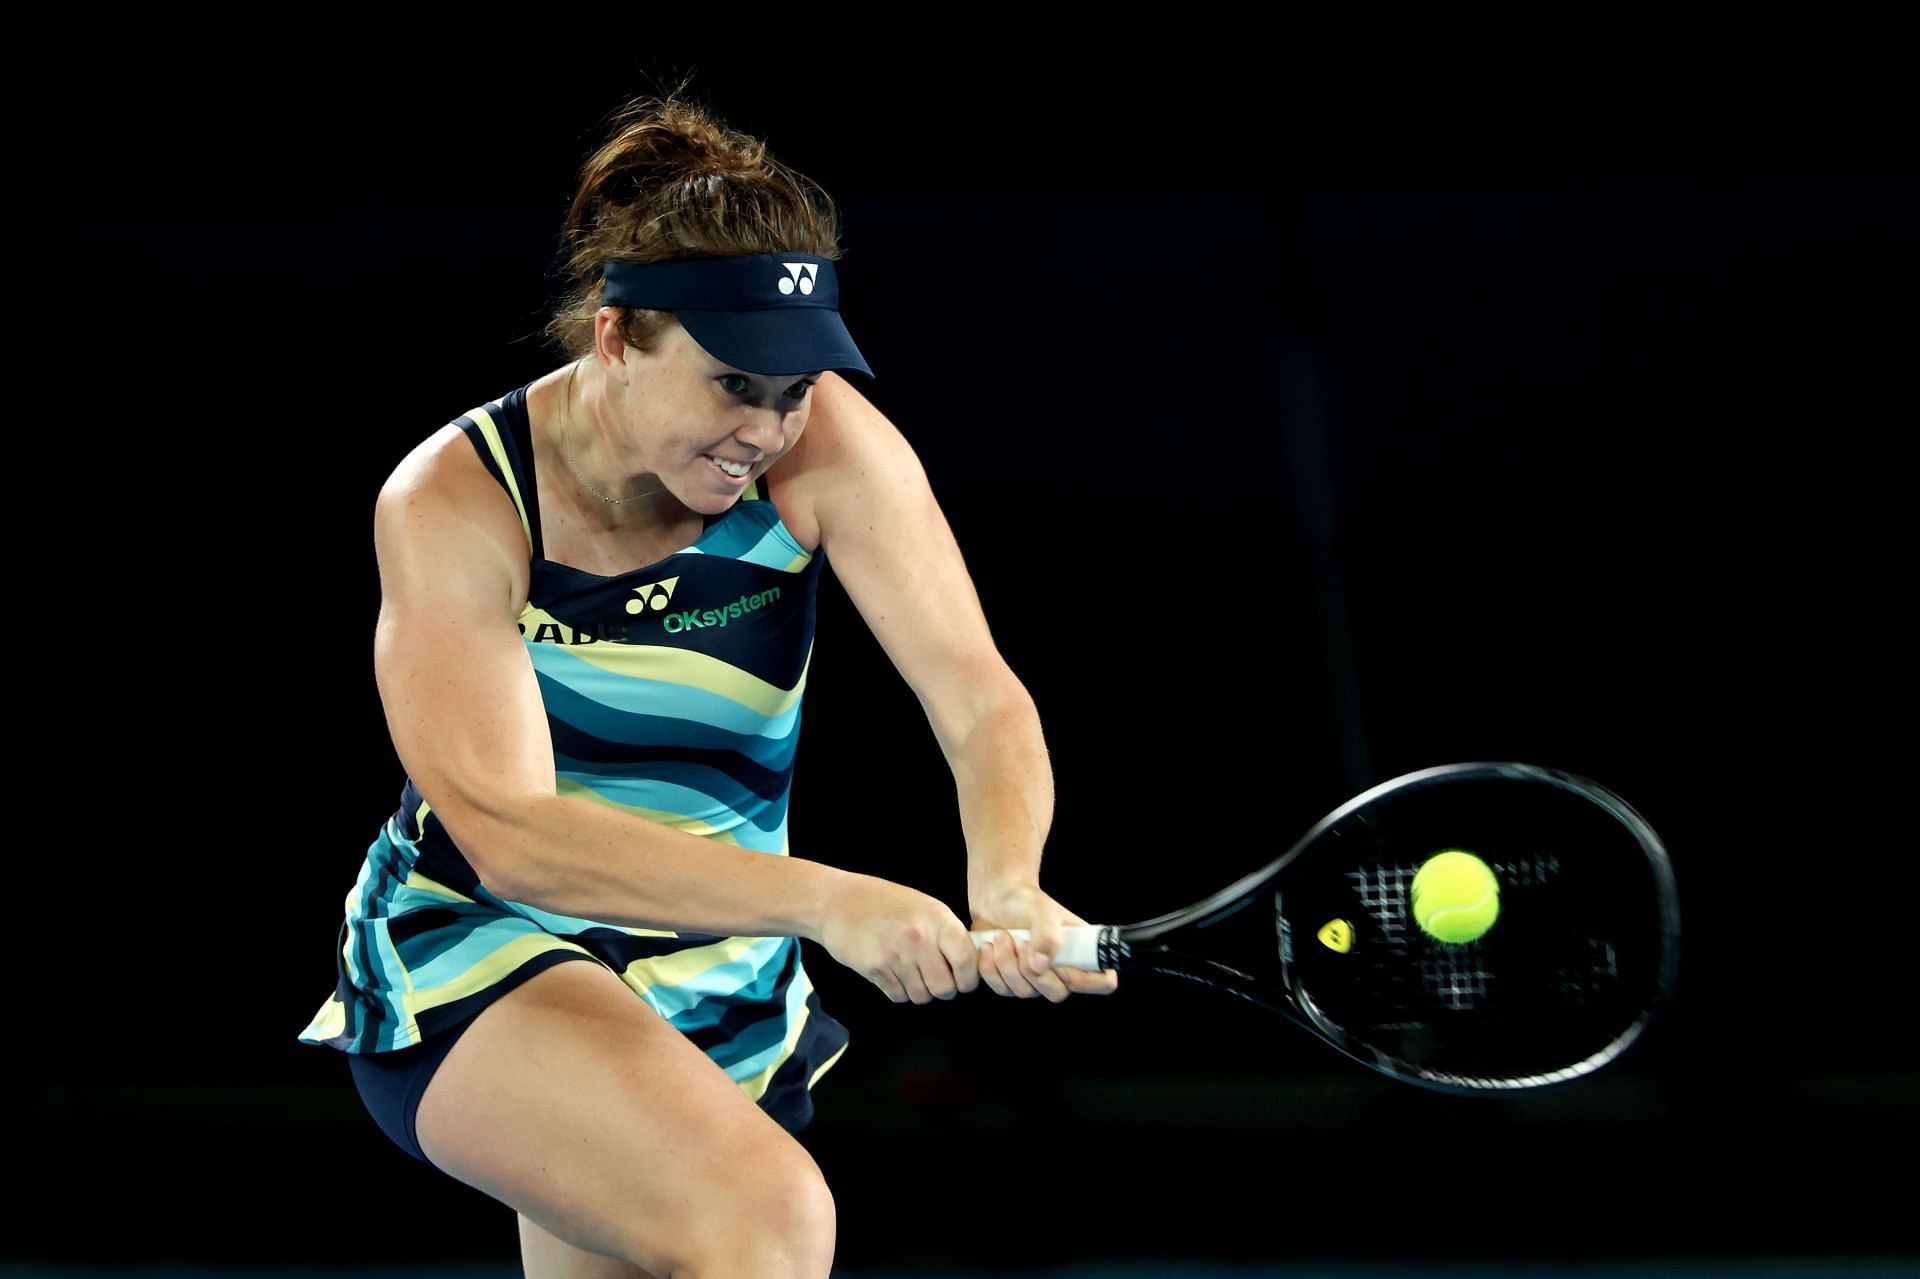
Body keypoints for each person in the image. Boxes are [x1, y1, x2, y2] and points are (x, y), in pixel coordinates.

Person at [298, 92, 1115, 1279]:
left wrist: (1009, 880)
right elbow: (518, 841)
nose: (769, 428)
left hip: (718, 982)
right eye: (738, 382)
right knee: (769, 1223)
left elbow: (978, 697)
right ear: (620, 337)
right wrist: (830, 900)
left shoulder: (827, 449)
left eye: (794, 390)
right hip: (483, 949)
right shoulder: (457, 501)